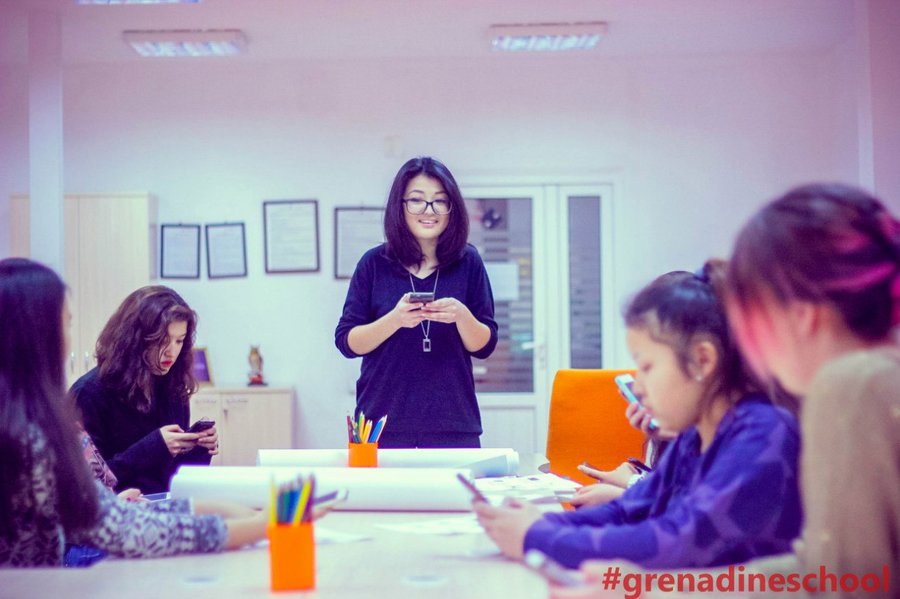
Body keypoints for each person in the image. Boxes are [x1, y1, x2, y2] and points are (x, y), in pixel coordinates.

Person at [474, 261, 802, 569]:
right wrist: (538, 523)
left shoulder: (763, 433)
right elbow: (628, 509)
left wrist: (536, 537)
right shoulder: (695, 435)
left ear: (702, 360)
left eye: (647, 367)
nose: (639, 386)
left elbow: (677, 542)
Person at [0, 258, 266, 567]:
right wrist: (259, 525)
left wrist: (197, 454)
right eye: (66, 324)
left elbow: (99, 506)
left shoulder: (36, 422)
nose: (68, 338)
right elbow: (114, 524)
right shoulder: (46, 427)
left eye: (179, 341)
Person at [724, 183, 900, 594]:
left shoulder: (853, 385)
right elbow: (818, 569)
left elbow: (852, 587)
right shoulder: (879, 375)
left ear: (802, 314)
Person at [335, 156, 498, 448]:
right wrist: (395, 320)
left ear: (451, 208)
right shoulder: (374, 263)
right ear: (400, 206)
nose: (429, 210)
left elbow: (485, 346)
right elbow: (347, 342)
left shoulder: (468, 261)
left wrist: (462, 316)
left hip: (454, 425)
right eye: (417, 200)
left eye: (440, 201)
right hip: (381, 426)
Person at [71, 285, 216, 494]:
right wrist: (153, 447)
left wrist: (199, 449)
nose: (171, 352)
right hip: (119, 509)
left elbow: (172, 480)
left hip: (163, 505)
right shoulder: (89, 394)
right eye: (162, 340)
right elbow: (88, 486)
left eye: (179, 341)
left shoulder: (173, 388)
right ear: (134, 340)